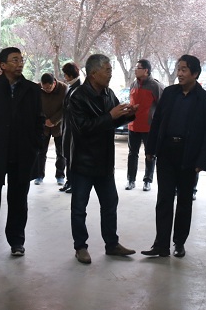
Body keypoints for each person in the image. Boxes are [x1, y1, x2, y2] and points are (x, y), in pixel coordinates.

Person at [0, 47, 45, 261]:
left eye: (21, 60)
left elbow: (39, 120)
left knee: (18, 201)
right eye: (14, 60)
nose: (20, 63)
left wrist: (35, 145)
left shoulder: (32, 89)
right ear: (2, 65)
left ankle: (17, 241)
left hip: (22, 153)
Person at [141, 55, 206, 258]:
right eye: (178, 69)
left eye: (184, 69)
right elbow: (157, 121)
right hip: (166, 152)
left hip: (188, 156)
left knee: (184, 202)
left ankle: (179, 242)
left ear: (195, 73)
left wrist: (202, 162)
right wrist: (150, 148)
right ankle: (161, 244)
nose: (180, 73)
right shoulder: (169, 93)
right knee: (164, 199)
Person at [68, 53, 138, 264]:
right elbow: (82, 129)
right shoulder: (77, 97)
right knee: (79, 208)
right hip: (83, 162)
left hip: (105, 161)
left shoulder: (108, 93)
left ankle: (112, 244)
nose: (110, 74)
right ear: (93, 73)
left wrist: (128, 114)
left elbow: (112, 122)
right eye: (107, 70)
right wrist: (111, 116)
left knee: (110, 204)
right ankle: (80, 247)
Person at [125, 59, 164, 192]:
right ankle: (131, 180)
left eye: (138, 68)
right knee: (132, 153)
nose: (135, 70)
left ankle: (147, 180)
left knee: (150, 154)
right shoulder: (133, 84)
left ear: (146, 70)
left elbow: (162, 106)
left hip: (149, 127)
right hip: (133, 125)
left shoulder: (155, 86)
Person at [34, 73, 67, 186]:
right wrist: (45, 121)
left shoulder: (64, 89)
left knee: (61, 152)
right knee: (41, 152)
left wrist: (53, 120)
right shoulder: (38, 89)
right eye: (44, 88)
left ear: (54, 83)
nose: (46, 90)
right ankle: (39, 175)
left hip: (59, 125)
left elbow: (65, 108)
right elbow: (35, 106)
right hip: (43, 125)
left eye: (49, 87)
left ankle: (60, 176)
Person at [59, 62, 81, 193]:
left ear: (70, 75)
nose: (64, 77)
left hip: (74, 129)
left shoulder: (79, 88)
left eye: (65, 74)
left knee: (74, 157)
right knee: (67, 155)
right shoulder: (71, 87)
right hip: (67, 127)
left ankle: (74, 183)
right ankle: (69, 181)